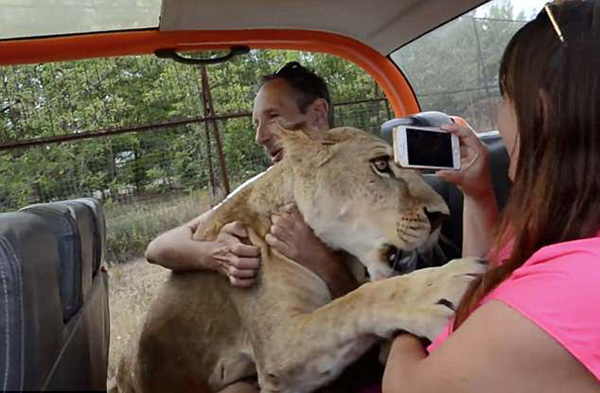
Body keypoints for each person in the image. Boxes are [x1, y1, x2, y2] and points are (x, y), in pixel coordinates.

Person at [382, 1, 600, 392]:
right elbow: (474, 281)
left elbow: (406, 386)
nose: (499, 118)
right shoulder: (564, 222)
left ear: (541, 111)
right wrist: (478, 194)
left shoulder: (580, 285)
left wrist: (405, 313)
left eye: (505, 98)